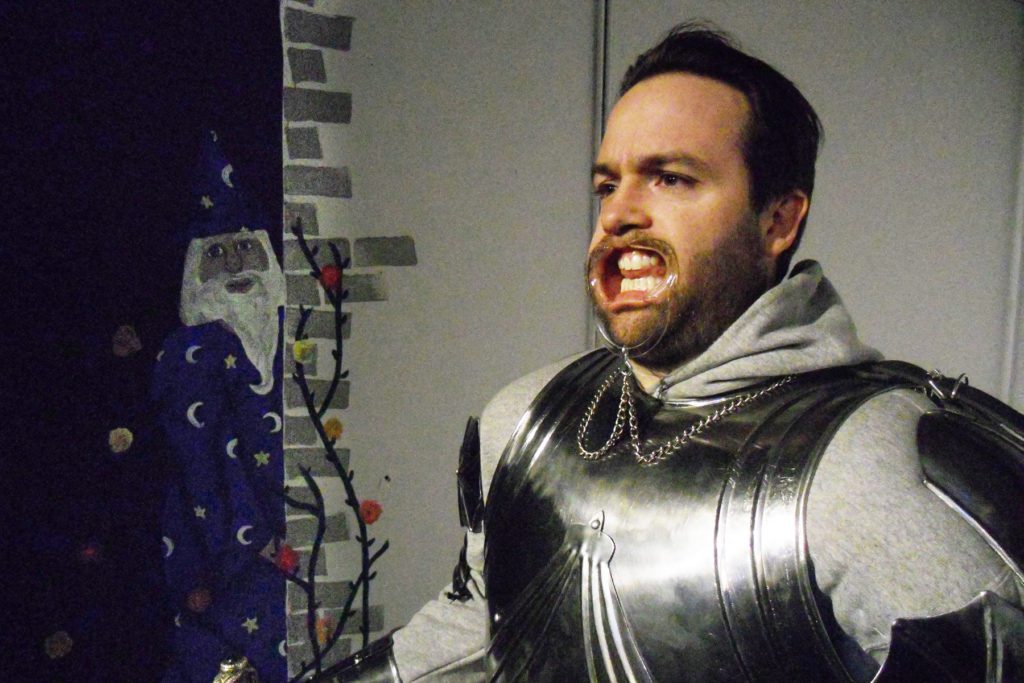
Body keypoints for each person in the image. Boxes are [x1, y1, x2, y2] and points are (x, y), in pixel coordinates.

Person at [334, 24, 1024, 681]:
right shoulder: (522, 420)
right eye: (609, 184)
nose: (618, 214)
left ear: (779, 219)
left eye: (670, 178)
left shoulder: (870, 461)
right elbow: (477, 629)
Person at [153, 131, 287, 682]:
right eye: (218, 255)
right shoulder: (188, 354)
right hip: (221, 545)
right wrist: (242, 544)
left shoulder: (293, 340)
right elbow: (193, 463)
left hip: (289, 550)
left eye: (245, 251)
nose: (235, 268)